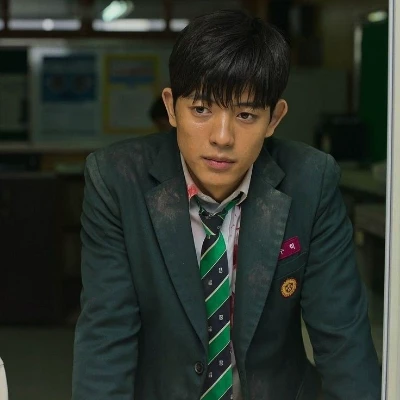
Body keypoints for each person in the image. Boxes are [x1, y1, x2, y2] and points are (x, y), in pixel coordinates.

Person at [72, 10, 381, 400]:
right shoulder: (117, 180)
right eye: (201, 110)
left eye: (246, 114)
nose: (222, 137)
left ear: (274, 118)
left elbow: (343, 339)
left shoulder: (311, 181)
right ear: (171, 107)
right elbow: (106, 336)